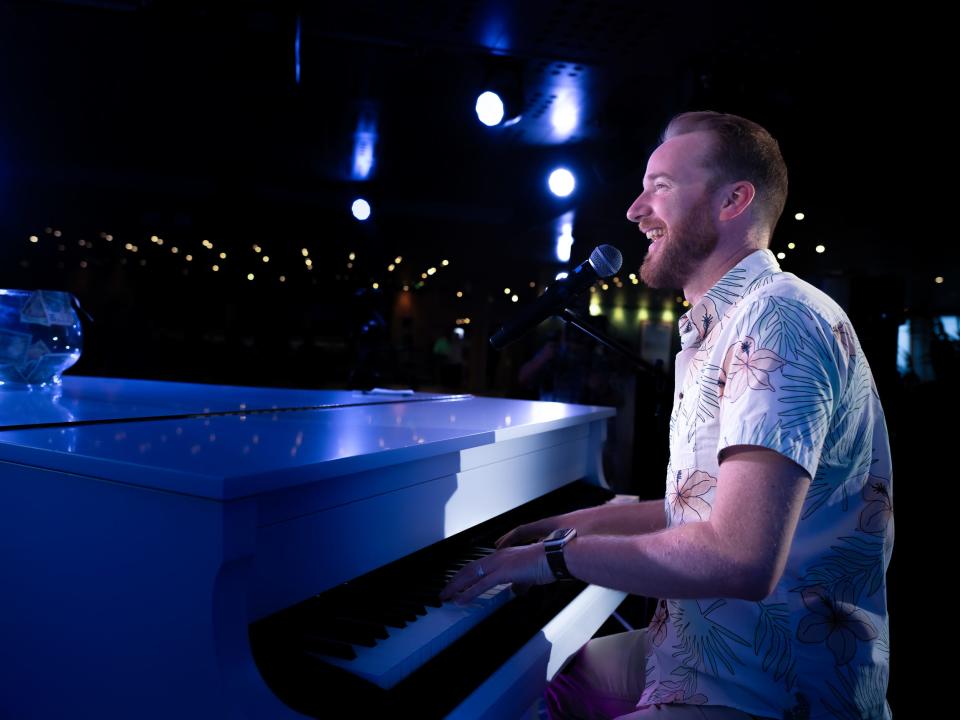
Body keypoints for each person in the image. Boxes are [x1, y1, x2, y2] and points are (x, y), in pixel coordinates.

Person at [441, 111, 893, 720]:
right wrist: (568, 523)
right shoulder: (719, 329)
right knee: (550, 681)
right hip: (696, 650)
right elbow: (704, 508)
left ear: (734, 200)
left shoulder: (780, 321)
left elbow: (739, 555)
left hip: (765, 689)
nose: (634, 209)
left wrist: (555, 558)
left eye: (661, 187)